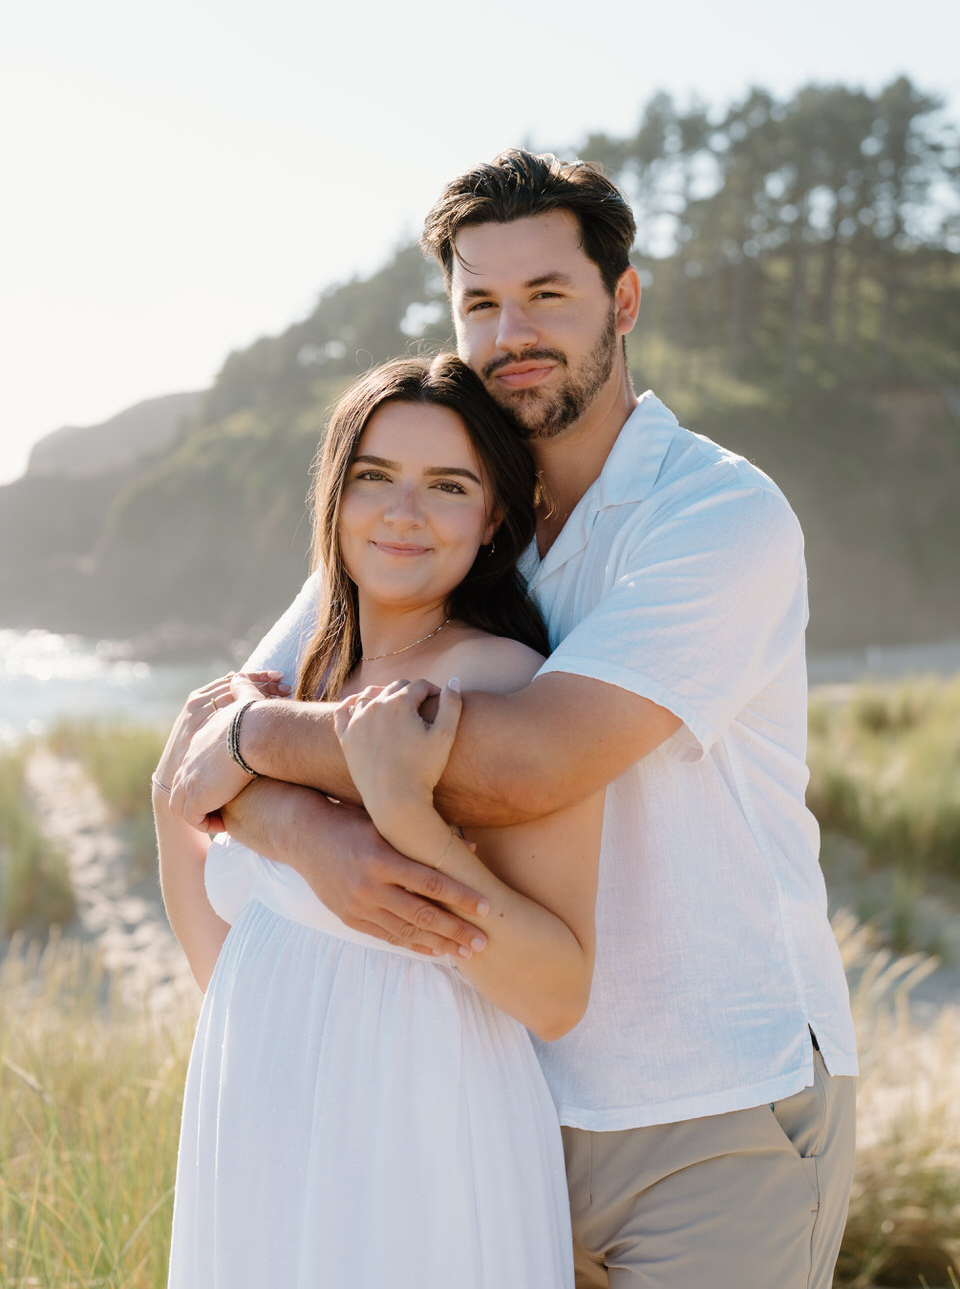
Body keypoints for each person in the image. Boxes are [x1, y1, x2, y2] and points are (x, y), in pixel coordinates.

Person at [173, 150, 859, 1289]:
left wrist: (263, 757)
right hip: (494, 1097)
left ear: (623, 301)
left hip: (704, 1112)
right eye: (480, 303)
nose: (511, 332)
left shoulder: (716, 517)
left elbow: (524, 765)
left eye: (548, 294)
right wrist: (305, 832)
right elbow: (210, 730)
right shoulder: (449, 514)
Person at [153, 354, 604, 1289]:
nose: (404, 512)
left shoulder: (500, 682)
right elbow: (235, 951)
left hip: (421, 1144)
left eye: (447, 485)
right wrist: (176, 804)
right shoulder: (297, 677)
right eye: (374, 477)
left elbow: (558, 991)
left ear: (493, 522)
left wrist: (406, 814)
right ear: (335, 498)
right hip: (262, 1122)